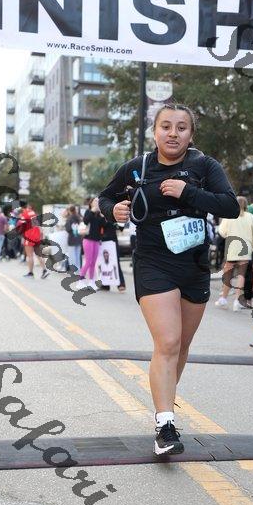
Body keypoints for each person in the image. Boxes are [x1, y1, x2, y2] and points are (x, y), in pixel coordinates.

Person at [99, 103, 239, 455]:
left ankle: (164, 402)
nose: (173, 133)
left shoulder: (205, 166)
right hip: (153, 262)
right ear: (155, 131)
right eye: (166, 126)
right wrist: (113, 209)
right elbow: (105, 197)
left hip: (194, 264)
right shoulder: (138, 167)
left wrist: (187, 192)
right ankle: (165, 425)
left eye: (181, 127)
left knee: (181, 345)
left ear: (191, 134)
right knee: (168, 341)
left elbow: (230, 206)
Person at [215, 196, 253, 311]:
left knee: (228, 274)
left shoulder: (229, 216)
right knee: (241, 275)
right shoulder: (250, 217)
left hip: (231, 248)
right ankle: (237, 301)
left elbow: (222, 231)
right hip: (245, 250)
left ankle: (223, 298)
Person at [16, 203, 49, 279]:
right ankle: (44, 270)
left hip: (29, 236)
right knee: (38, 254)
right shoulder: (33, 212)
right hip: (37, 235)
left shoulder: (24, 214)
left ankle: (31, 273)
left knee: (30, 256)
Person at [79, 197, 106, 288]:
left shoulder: (99, 214)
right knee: (88, 261)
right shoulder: (88, 211)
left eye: (98, 201)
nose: (97, 202)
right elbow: (85, 221)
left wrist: (102, 216)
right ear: (91, 203)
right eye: (95, 201)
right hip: (88, 240)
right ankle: (81, 280)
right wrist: (92, 211)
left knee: (93, 262)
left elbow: (103, 226)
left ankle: (91, 281)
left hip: (96, 240)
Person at [100, 218, 126, 291]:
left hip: (112, 240)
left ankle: (121, 283)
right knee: (103, 263)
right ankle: (105, 284)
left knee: (115, 261)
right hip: (102, 241)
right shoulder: (99, 215)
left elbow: (121, 228)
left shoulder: (113, 215)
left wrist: (118, 222)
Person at [65, 205, 82, 272]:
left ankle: (73, 270)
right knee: (77, 255)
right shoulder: (79, 218)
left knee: (72, 256)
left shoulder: (69, 218)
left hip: (71, 239)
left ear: (69, 210)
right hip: (78, 238)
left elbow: (68, 229)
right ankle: (78, 270)